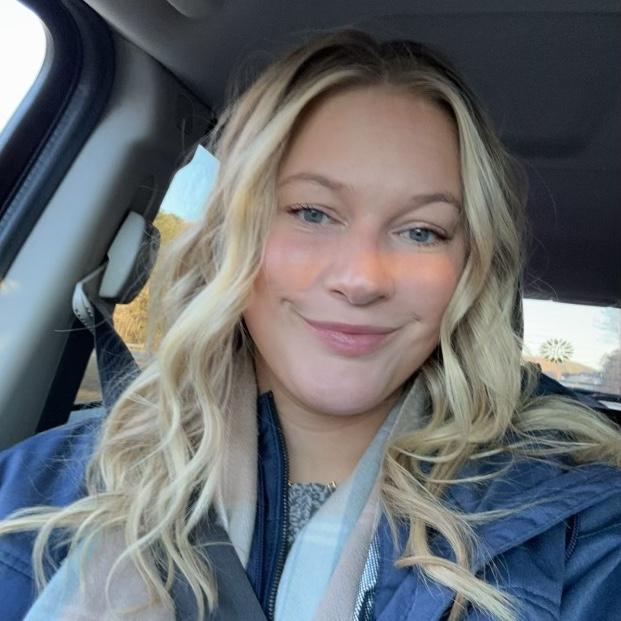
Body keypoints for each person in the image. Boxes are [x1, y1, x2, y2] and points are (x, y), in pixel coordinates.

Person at [1, 30, 620, 621]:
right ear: (231, 235)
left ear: (470, 269)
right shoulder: (32, 493)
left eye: (421, 231)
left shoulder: (577, 530)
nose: (361, 278)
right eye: (312, 213)